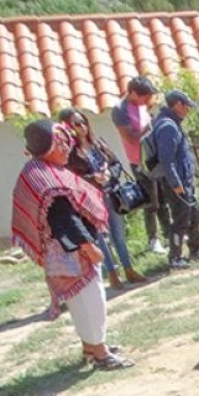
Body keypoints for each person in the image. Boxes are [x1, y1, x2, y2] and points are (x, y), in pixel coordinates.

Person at [11, 120, 134, 370]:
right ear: (47, 146)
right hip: (72, 251)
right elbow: (62, 219)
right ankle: (101, 353)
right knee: (91, 300)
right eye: (62, 142)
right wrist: (88, 247)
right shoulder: (46, 178)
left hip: (63, 250)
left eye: (68, 141)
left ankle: (90, 346)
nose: (68, 147)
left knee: (80, 302)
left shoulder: (41, 169)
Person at [59, 108, 146, 290]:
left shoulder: (99, 143)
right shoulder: (69, 154)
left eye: (83, 122)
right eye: (76, 124)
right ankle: (113, 273)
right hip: (90, 199)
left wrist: (108, 173)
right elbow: (71, 178)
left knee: (118, 234)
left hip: (110, 194)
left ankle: (129, 269)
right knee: (100, 238)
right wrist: (93, 178)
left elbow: (116, 164)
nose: (81, 127)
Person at [110, 76, 167, 254]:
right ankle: (153, 239)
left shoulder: (142, 105)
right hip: (139, 161)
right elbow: (130, 137)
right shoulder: (120, 110)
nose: (146, 99)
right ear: (132, 93)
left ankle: (170, 232)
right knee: (152, 201)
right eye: (143, 96)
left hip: (154, 156)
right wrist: (150, 126)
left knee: (163, 197)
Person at [154, 90, 199, 269]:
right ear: (177, 105)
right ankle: (175, 257)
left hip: (184, 181)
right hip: (177, 184)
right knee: (181, 220)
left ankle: (196, 249)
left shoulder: (171, 123)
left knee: (194, 214)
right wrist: (176, 184)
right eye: (186, 106)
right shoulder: (168, 127)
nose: (188, 110)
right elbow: (166, 160)